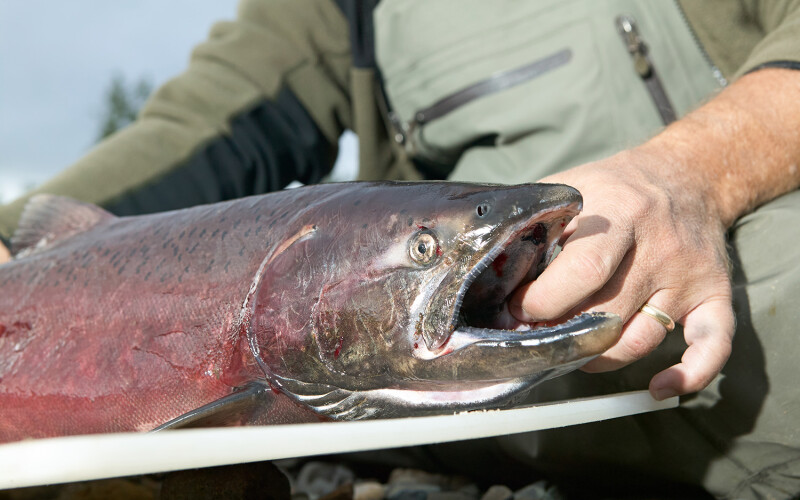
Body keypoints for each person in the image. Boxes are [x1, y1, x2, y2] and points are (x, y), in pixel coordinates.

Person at [1, 1, 799, 497]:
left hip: (749, 226)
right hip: (464, 343)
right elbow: (206, 127)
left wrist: (690, 174)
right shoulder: (336, 10)